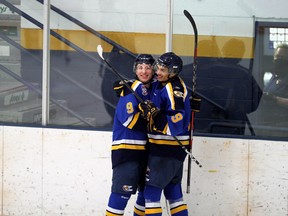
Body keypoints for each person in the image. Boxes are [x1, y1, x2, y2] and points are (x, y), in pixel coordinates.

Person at [138, 52, 190, 215]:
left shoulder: (173, 88)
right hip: (169, 150)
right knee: (173, 192)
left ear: (172, 73)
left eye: (162, 70)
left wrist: (157, 116)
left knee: (151, 192)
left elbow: (178, 123)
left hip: (167, 149)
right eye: (157, 68)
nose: (157, 72)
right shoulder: (160, 83)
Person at [106, 54, 155, 216]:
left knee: (145, 194)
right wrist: (149, 120)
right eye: (140, 67)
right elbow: (127, 120)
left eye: (148, 67)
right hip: (127, 150)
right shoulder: (131, 88)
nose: (144, 71)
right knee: (122, 192)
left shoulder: (154, 90)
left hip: (146, 151)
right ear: (135, 70)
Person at [261, 43, 288, 135]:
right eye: (277, 56)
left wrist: (275, 99)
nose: (279, 59)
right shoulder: (272, 77)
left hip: (283, 128)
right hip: (267, 125)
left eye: (282, 57)